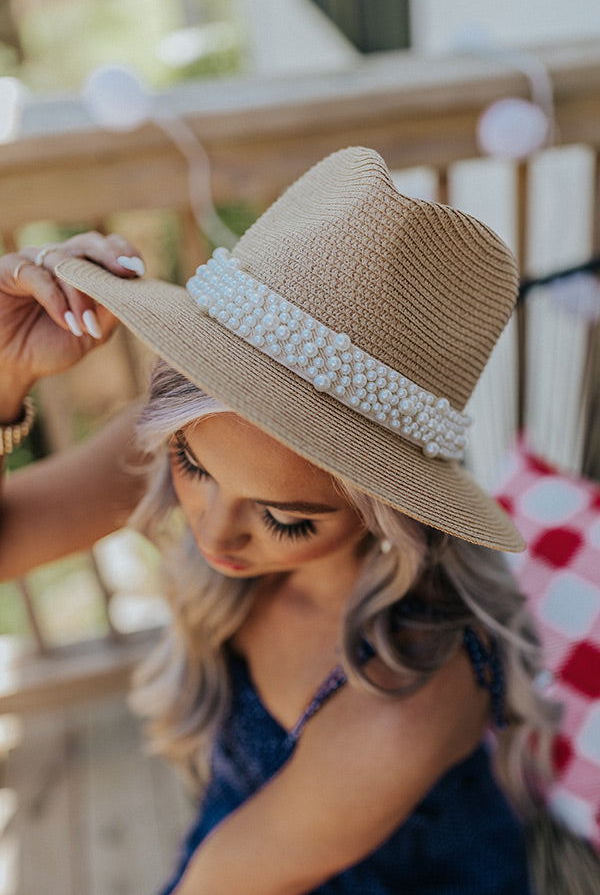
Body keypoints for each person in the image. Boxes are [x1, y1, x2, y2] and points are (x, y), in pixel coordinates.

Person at [0, 147, 597, 895]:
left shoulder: (408, 694)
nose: (212, 535)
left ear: (389, 507)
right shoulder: (207, 422)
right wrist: (2, 375)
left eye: (284, 520)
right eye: (190, 468)